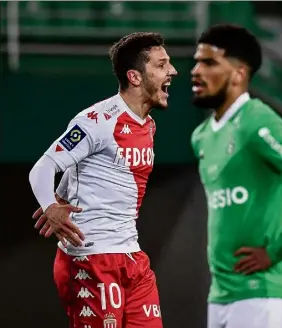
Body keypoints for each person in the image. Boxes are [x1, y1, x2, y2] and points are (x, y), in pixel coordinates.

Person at [190, 24, 282, 328]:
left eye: (209, 63)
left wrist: (274, 252)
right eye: (196, 61)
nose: (195, 71)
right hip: (221, 292)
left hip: (262, 290)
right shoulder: (201, 136)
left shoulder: (256, 120)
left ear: (239, 74)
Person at [29, 32, 177, 328]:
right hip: (93, 259)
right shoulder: (97, 121)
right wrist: (49, 205)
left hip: (132, 257)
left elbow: (90, 173)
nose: (172, 71)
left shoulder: (148, 125)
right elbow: (43, 167)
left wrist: (60, 197)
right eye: (162, 65)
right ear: (135, 77)